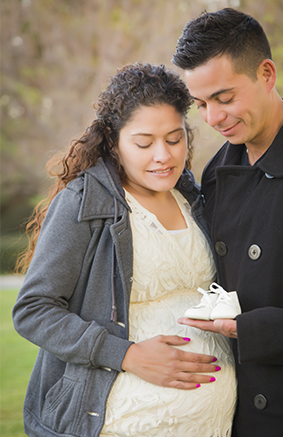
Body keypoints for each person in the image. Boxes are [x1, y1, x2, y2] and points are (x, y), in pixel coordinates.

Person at [12, 62, 237, 437]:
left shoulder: (195, 198)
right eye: (144, 143)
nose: (163, 155)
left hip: (212, 425)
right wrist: (127, 355)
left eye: (174, 138)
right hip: (119, 424)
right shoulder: (84, 202)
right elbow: (33, 310)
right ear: (114, 142)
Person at [172, 7, 283, 437]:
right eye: (200, 104)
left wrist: (251, 329)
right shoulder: (216, 172)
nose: (212, 118)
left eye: (224, 98)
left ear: (266, 73)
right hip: (233, 413)